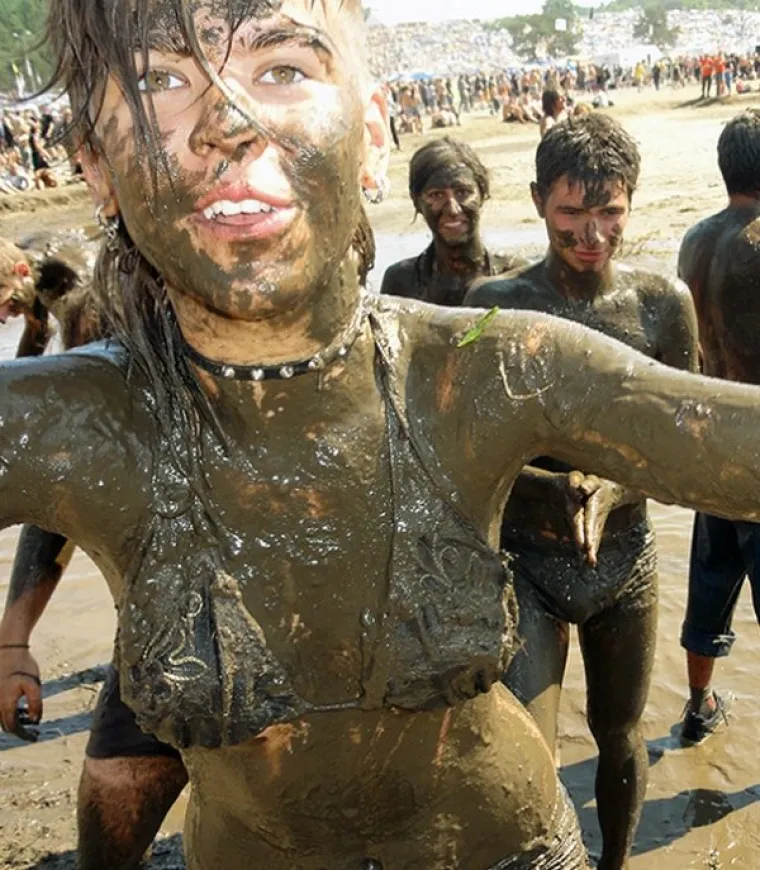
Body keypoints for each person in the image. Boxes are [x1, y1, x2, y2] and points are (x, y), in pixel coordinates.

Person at [8, 3, 760, 868]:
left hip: (513, 847)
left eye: (282, 68)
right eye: (160, 79)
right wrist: (13, 637)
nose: (226, 120)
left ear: (371, 132)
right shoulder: (82, 422)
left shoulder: (493, 367)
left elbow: (723, 440)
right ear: (96, 165)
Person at [465, 113, 699, 870]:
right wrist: (551, 487)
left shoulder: (662, 304)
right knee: (525, 752)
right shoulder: (493, 305)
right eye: (571, 213)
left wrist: (615, 486)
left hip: (625, 565)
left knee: (621, 735)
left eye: (610, 212)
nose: (592, 234)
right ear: (538, 201)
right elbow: (466, 449)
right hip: (526, 565)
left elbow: (682, 448)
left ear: (632, 201)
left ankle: (616, 864)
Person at [0, 230, 190, 870]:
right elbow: (52, 502)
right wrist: (13, 642)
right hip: (153, 644)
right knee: (110, 814)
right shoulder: (93, 408)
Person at [677, 108, 760, 746]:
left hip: (711, 443)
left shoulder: (695, 241)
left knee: (710, 582)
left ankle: (698, 706)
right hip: (757, 444)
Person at [380, 138, 526, 306]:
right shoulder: (401, 282)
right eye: (437, 195)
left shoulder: (516, 277)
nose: (453, 210)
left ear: (482, 194)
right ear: (417, 202)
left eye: (462, 192)